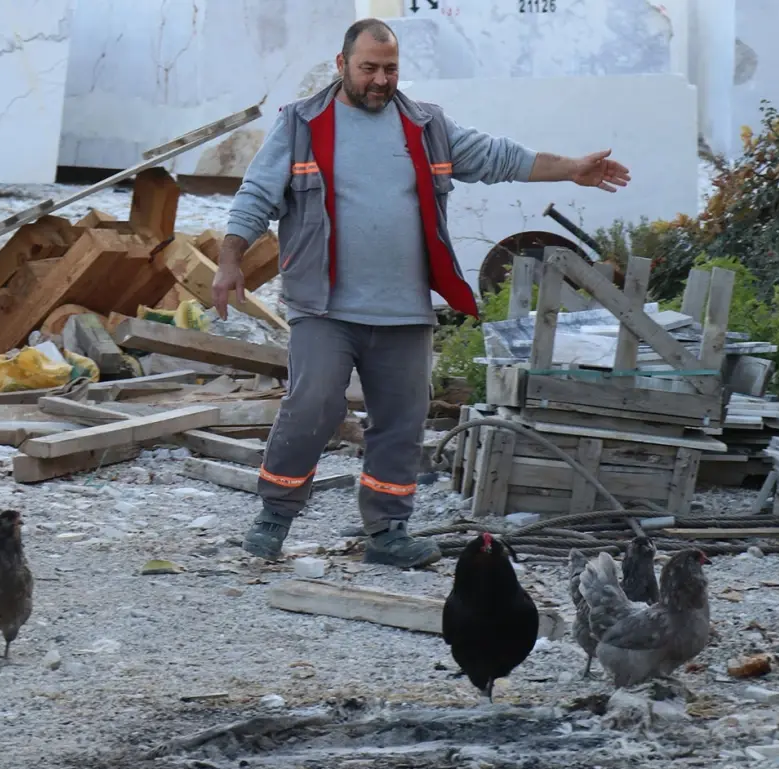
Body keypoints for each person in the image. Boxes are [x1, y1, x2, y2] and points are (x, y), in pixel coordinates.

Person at [212, 18, 631, 569]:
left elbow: (501, 157)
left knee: (402, 421)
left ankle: (387, 533)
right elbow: (256, 195)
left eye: (390, 69)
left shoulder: (426, 125)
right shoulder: (301, 125)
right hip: (324, 305)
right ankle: (274, 518)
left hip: (405, 309)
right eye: (369, 68)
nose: (381, 80)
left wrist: (571, 169)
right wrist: (228, 260)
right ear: (342, 66)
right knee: (312, 405)